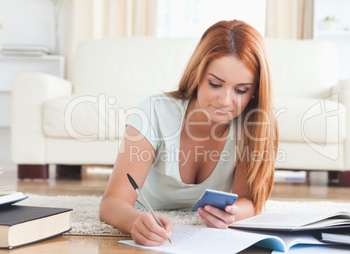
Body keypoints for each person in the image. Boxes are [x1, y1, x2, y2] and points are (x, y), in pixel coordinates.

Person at [99, 19, 278, 246]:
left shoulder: (252, 125)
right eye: (215, 84)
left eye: (241, 90)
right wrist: (135, 221)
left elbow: (249, 201)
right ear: (198, 74)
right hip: (145, 210)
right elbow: (111, 203)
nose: (225, 101)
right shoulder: (155, 112)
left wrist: (233, 214)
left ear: (255, 91)